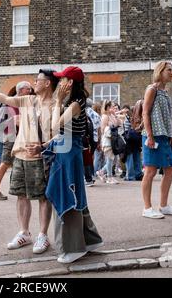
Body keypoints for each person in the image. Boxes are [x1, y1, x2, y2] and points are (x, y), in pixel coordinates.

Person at [0, 69, 58, 255]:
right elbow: (6, 99)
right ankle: (24, 232)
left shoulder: (55, 105)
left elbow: (60, 135)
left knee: (43, 197)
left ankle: (42, 235)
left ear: (47, 83)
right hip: (20, 155)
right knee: (21, 195)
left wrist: (43, 146)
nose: (34, 83)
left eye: (38, 80)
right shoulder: (27, 100)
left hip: (40, 157)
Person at [44, 66, 104, 264]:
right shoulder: (74, 101)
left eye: (62, 79)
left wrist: (58, 101)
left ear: (69, 83)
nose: (59, 83)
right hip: (67, 151)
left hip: (69, 154)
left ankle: (73, 248)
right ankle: (90, 240)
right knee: (75, 195)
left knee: (66, 195)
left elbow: (55, 127)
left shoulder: (76, 103)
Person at [141, 61, 172, 219]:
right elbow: (145, 113)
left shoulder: (164, 92)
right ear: (160, 71)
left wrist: (171, 134)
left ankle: (164, 206)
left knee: (171, 169)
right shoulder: (152, 89)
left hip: (164, 136)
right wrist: (150, 136)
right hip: (153, 136)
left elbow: (169, 115)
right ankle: (147, 208)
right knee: (150, 171)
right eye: (169, 70)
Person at [0, 81, 32, 201]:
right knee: (6, 162)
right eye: (27, 89)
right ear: (20, 90)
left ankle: (22, 190)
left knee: (20, 163)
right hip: (10, 136)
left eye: (30, 89)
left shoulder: (24, 103)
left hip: (23, 137)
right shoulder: (8, 103)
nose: (30, 91)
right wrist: (13, 120)